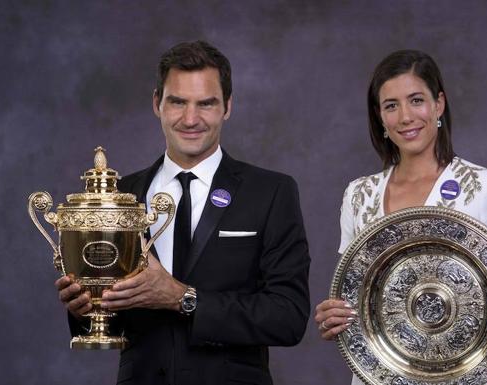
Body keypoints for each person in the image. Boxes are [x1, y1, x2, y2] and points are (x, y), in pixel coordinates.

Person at [55, 40, 311, 385]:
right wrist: (85, 308)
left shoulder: (270, 192)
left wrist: (183, 298)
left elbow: (288, 317)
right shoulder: (121, 196)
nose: (191, 119)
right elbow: (111, 321)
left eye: (206, 104)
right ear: (157, 103)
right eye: (178, 102)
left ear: (227, 107)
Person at [314, 50, 487, 384]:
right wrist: (334, 315)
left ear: (439, 104)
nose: (405, 116)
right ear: (380, 117)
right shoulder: (359, 195)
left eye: (416, 100)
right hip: (375, 376)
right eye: (391, 105)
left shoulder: (486, 187)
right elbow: (352, 293)